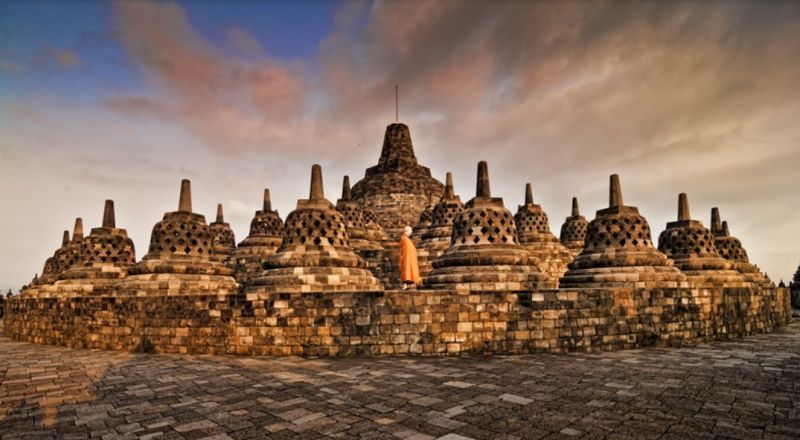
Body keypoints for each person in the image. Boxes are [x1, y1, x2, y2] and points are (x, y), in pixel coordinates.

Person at [399, 225, 422, 289]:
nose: (411, 232)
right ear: (407, 231)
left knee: (411, 272)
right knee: (407, 272)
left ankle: (409, 283)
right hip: (407, 259)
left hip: (410, 259)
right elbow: (405, 251)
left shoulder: (407, 239)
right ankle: (406, 284)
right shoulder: (404, 239)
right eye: (411, 231)